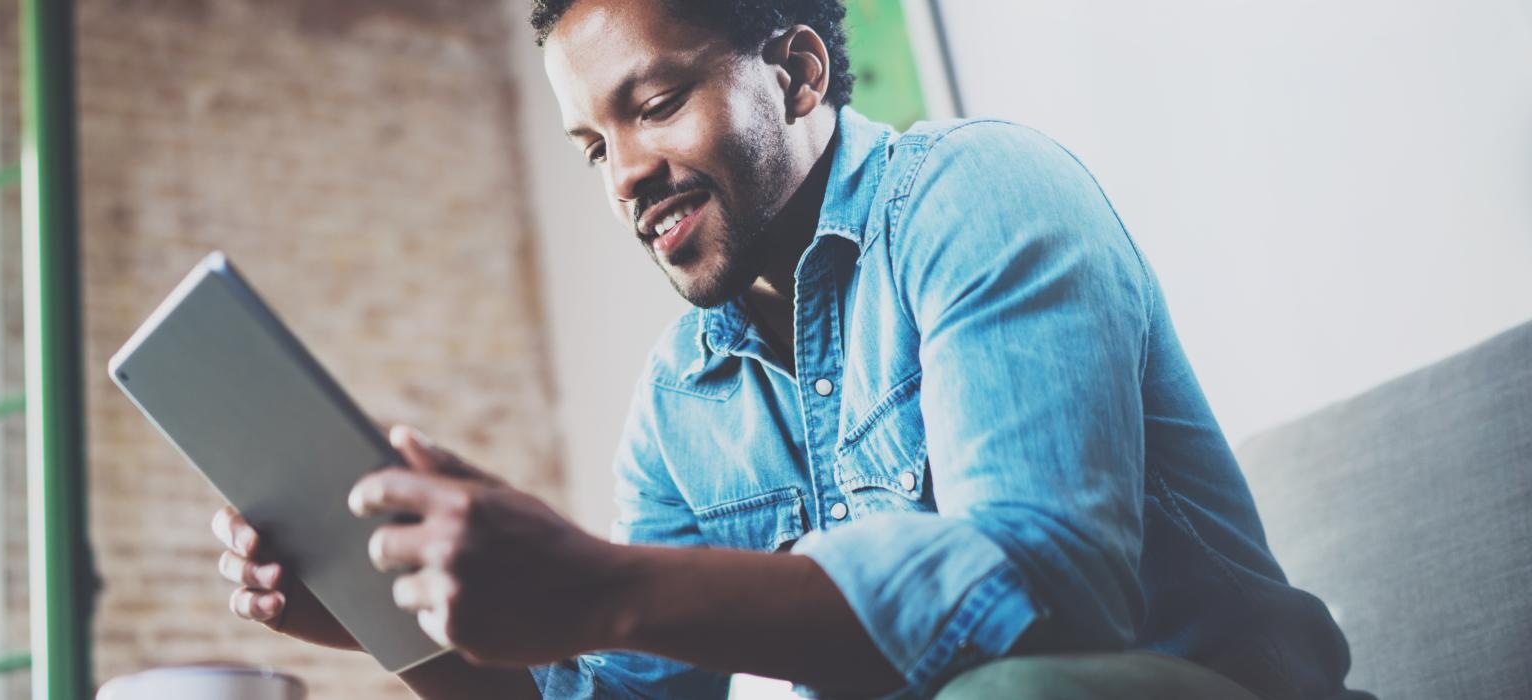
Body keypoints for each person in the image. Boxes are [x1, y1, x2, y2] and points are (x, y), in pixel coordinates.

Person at [209, 1, 1372, 697]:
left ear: (799, 72)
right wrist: (388, 612)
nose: (622, 177)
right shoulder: (680, 406)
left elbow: (1041, 597)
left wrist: (608, 584)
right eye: (589, 145)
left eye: (656, 104)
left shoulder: (980, 192)